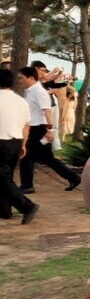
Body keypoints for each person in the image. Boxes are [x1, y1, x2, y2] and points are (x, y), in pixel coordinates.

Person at [17, 66, 80, 193]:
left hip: (39, 129)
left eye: (21, 78)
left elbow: (47, 112)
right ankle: (73, 177)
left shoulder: (38, 92)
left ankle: (27, 185)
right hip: (34, 128)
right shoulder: (30, 91)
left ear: (31, 78)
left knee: (27, 156)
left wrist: (50, 130)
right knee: (46, 158)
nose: (19, 81)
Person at [0, 68, 38, 224]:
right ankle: (4, 211)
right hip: (15, 141)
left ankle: (26, 206)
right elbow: (26, 125)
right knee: (6, 177)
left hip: (0, 141)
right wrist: (23, 144)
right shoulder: (21, 101)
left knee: (2, 179)